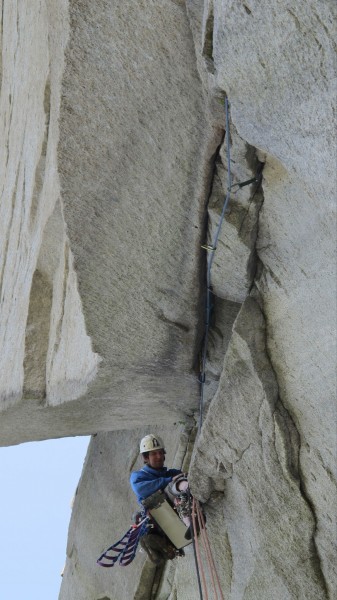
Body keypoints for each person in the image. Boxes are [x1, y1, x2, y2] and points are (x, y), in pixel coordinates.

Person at [130, 434, 191, 564]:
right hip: (157, 515)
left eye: (160, 453)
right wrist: (169, 481)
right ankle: (158, 545)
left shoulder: (170, 473)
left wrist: (180, 477)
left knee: (179, 483)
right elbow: (141, 489)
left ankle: (171, 541)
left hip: (173, 511)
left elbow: (182, 477)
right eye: (154, 454)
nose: (159, 457)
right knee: (138, 516)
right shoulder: (138, 476)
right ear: (146, 458)